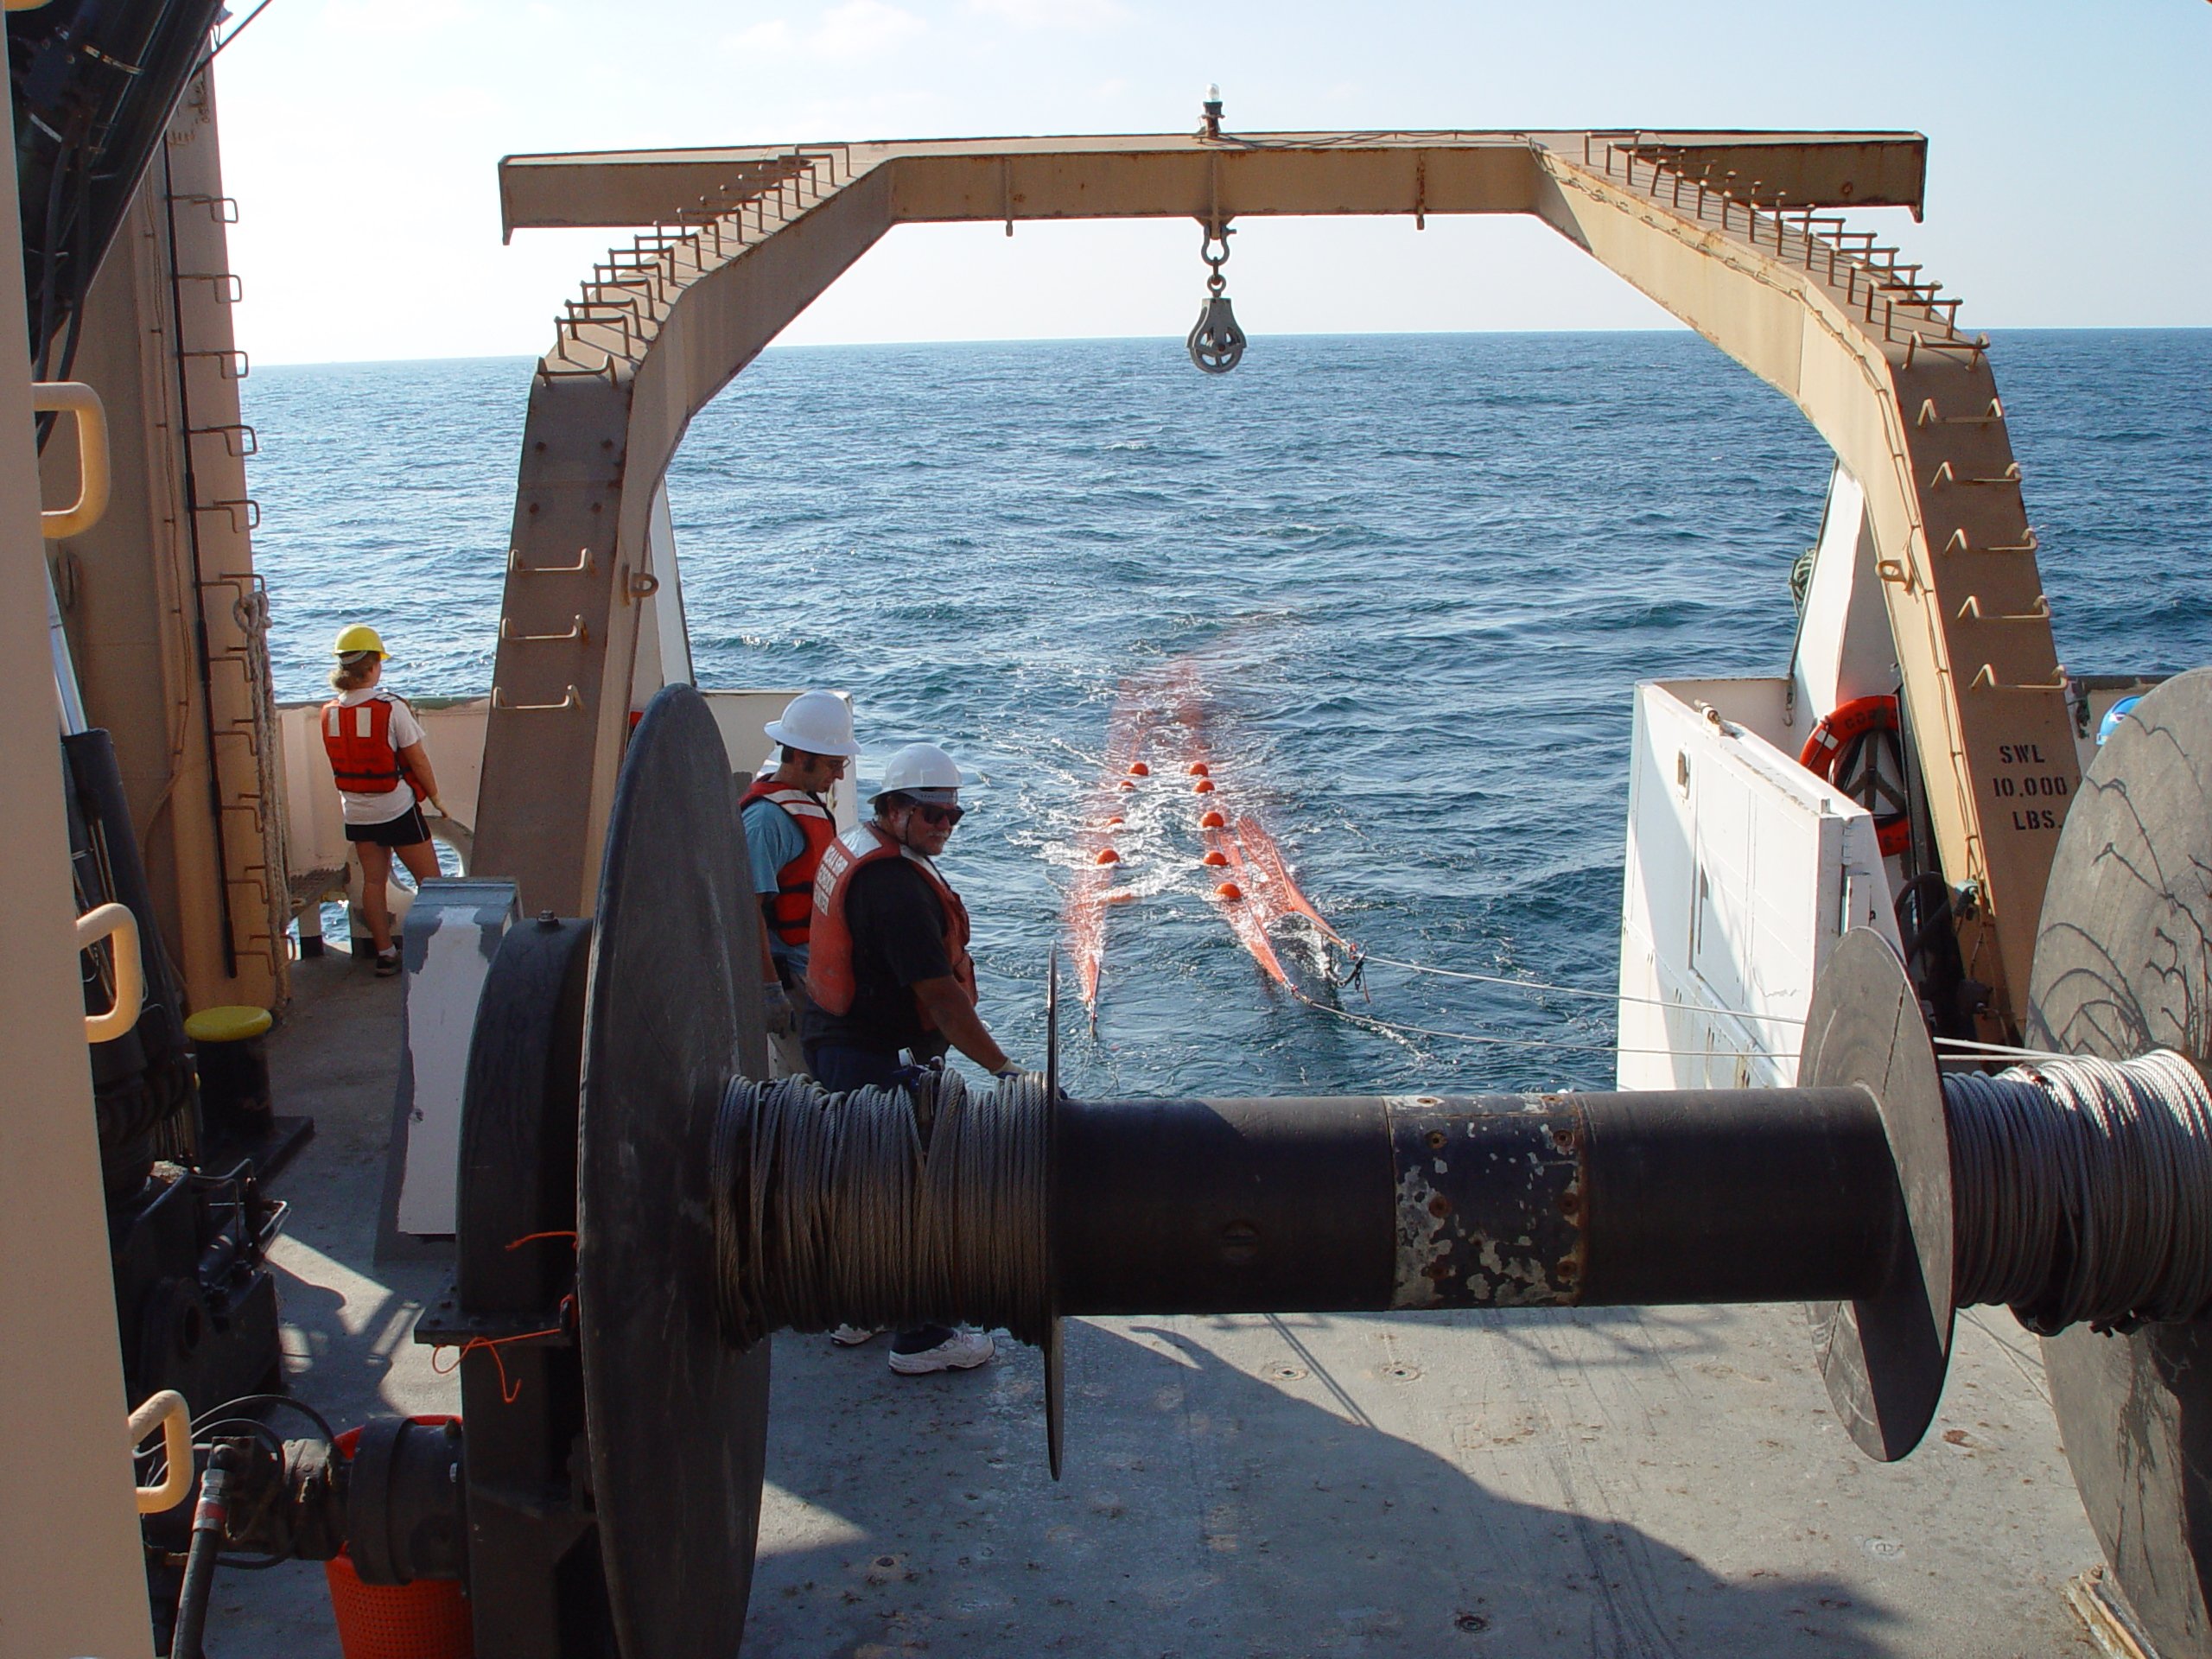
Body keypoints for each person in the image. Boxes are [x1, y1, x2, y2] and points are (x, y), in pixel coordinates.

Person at [806, 741, 1021, 1375]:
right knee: (908, 1190)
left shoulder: (863, 846)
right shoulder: (895, 889)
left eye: (953, 816)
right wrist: (1004, 1069)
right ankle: (922, 1338)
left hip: (835, 1036)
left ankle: (862, 1306)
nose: (944, 827)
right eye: (931, 815)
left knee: (860, 1178)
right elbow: (941, 999)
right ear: (894, 809)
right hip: (866, 1050)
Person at [739, 690, 860, 1076]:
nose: (840, 774)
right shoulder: (765, 822)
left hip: (816, 972)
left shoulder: (800, 801)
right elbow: (747, 909)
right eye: (833, 763)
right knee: (816, 1085)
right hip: (792, 980)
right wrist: (770, 990)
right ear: (801, 757)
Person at [320, 625, 442, 977]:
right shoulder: (390, 708)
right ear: (373, 666)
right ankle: (434, 950)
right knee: (432, 883)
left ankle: (385, 952)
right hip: (397, 808)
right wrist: (434, 795)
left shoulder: (329, 713)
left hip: (357, 810)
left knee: (373, 882)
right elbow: (417, 759)